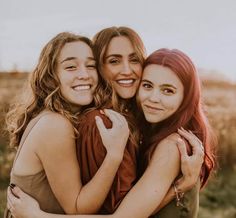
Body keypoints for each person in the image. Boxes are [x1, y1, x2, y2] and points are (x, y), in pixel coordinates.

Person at [7, 29, 207, 217]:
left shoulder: (168, 141)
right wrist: (179, 186)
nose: (83, 74)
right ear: (52, 75)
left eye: (168, 90)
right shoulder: (72, 123)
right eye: (114, 61)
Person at [4, 31, 131, 217]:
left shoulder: (57, 118)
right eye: (71, 67)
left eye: (91, 66)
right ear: (51, 75)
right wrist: (114, 154)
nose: (84, 74)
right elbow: (78, 209)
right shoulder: (54, 125)